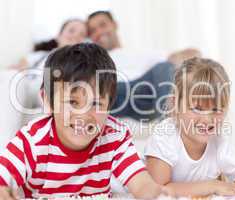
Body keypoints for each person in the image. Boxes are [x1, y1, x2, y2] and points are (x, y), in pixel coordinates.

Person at [0, 43, 166, 199]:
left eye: (96, 103)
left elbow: (142, 184)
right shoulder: (31, 141)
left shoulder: (115, 136)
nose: (84, 115)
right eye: (72, 102)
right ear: (48, 102)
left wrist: (155, 195)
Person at [144, 57, 235, 198]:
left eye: (216, 109)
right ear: (175, 105)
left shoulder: (220, 145)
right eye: (197, 108)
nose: (207, 119)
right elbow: (157, 190)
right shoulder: (165, 137)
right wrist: (212, 185)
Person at [87, 11, 201, 120]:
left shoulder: (140, 52)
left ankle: (168, 123)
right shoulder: (91, 58)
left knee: (165, 67)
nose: (99, 32)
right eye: (93, 31)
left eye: (102, 25)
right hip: (113, 95)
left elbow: (190, 54)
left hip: (145, 95)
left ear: (115, 25)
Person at [10, 19, 87, 70]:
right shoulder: (40, 57)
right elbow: (21, 66)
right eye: (71, 30)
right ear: (58, 35)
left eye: (81, 34)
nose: (76, 35)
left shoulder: (82, 67)